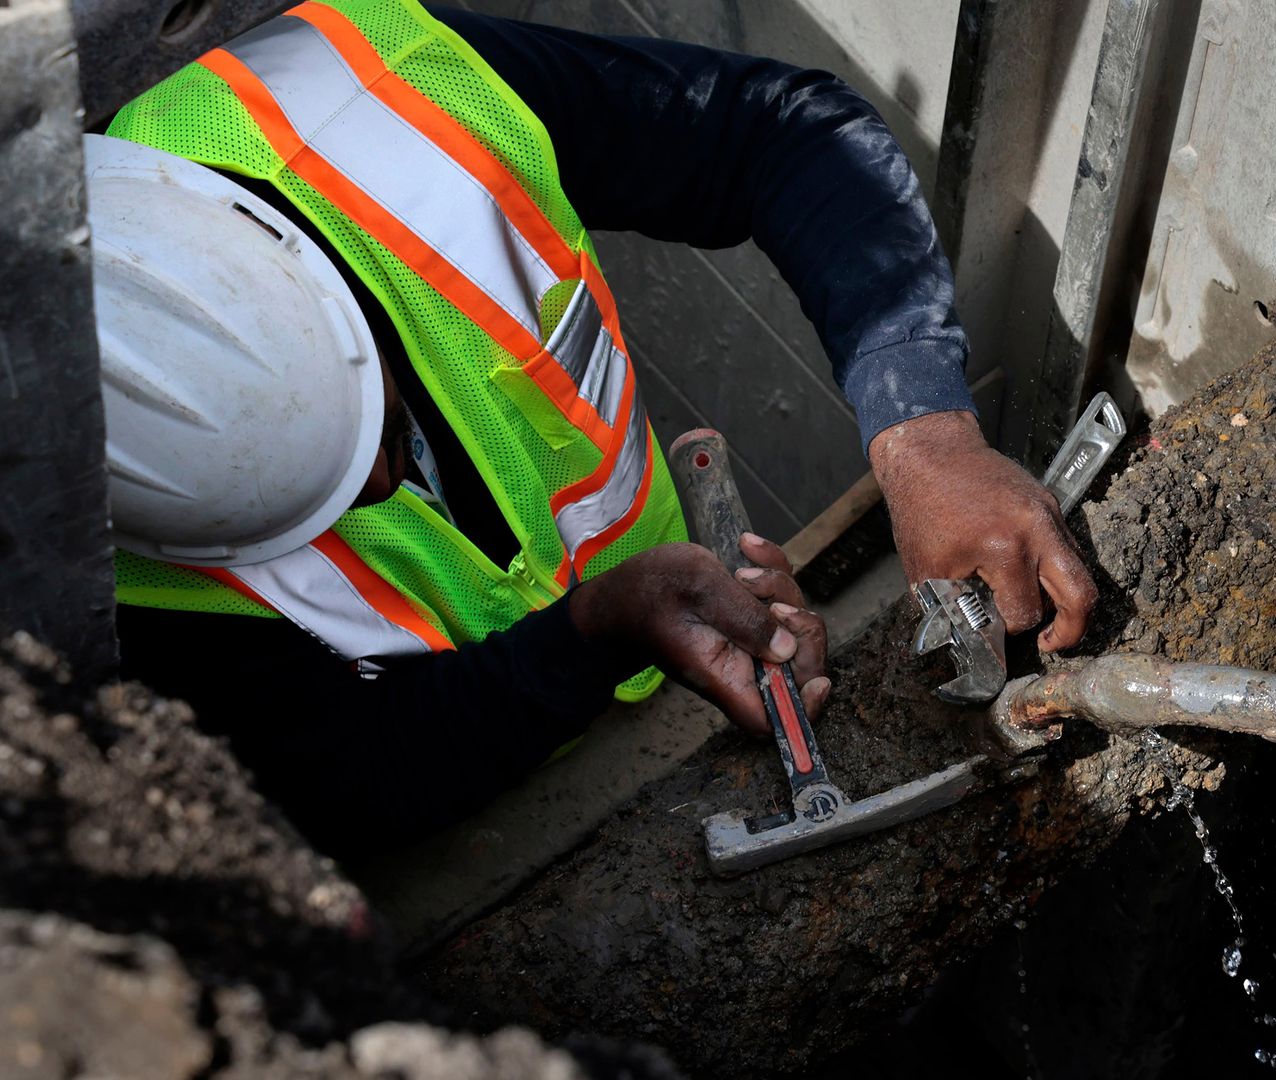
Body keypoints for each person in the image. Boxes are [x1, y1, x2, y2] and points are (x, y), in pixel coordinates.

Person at [95, 0, 1097, 853]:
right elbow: (347, 775)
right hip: (485, 826)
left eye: (376, 441)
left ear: (334, 303)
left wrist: (923, 436)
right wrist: (592, 639)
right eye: (311, 512)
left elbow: (788, 137)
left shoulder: (391, 97)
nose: (387, 488)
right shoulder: (92, 566)